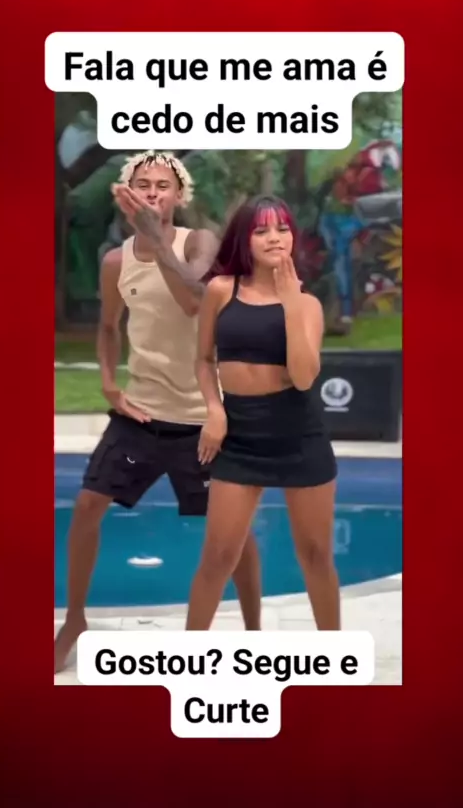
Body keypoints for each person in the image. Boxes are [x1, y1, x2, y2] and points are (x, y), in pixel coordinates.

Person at [55, 151, 262, 672]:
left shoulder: (198, 242)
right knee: (87, 506)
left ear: (178, 195)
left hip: (202, 420)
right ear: (126, 193)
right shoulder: (115, 262)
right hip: (141, 418)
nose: (152, 193)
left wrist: (155, 238)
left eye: (162, 185)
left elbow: (194, 299)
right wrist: (108, 382)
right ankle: (74, 619)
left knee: (235, 534)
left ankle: (256, 634)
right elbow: (108, 327)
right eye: (142, 184)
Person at [185, 195, 340, 631]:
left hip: (298, 436)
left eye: (283, 229)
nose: (274, 238)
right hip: (239, 437)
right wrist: (214, 410)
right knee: (218, 556)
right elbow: (203, 359)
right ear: (245, 239)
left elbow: (304, 378)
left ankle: (335, 656)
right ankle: (186, 656)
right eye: (261, 230)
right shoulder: (222, 290)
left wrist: (290, 303)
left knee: (316, 556)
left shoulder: (307, 305)